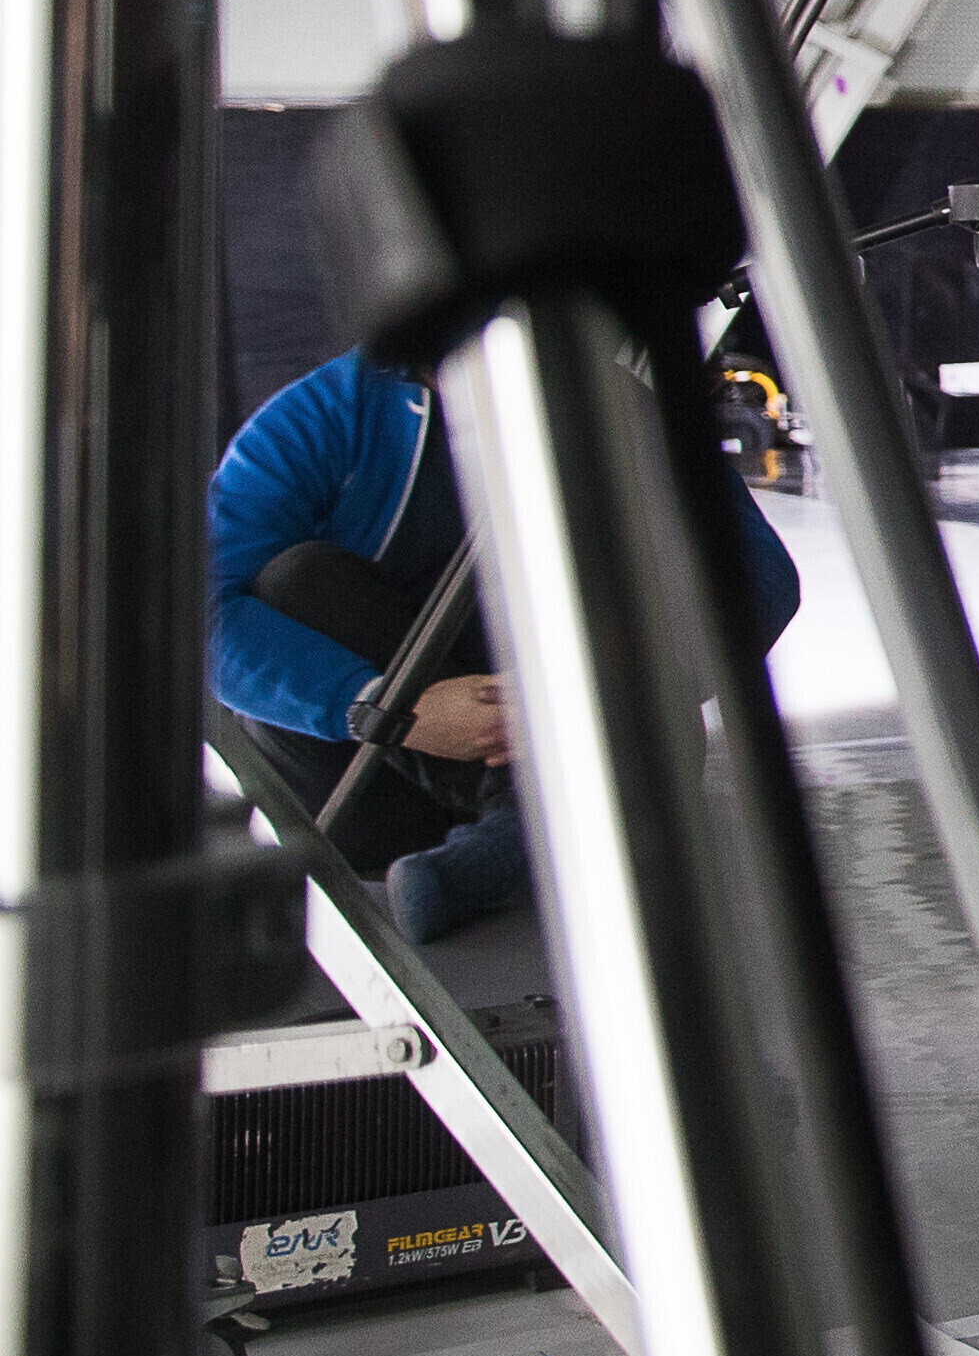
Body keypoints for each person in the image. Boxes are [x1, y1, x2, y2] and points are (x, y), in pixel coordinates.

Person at [209, 346, 804, 942]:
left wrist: (591, 687)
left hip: (567, 744)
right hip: (371, 781)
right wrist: (387, 708)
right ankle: (524, 834)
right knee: (297, 582)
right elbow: (205, 617)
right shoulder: (324, 416)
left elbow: (763, 579)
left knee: (652, 629)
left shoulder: (610, 405)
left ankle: (508, 837)